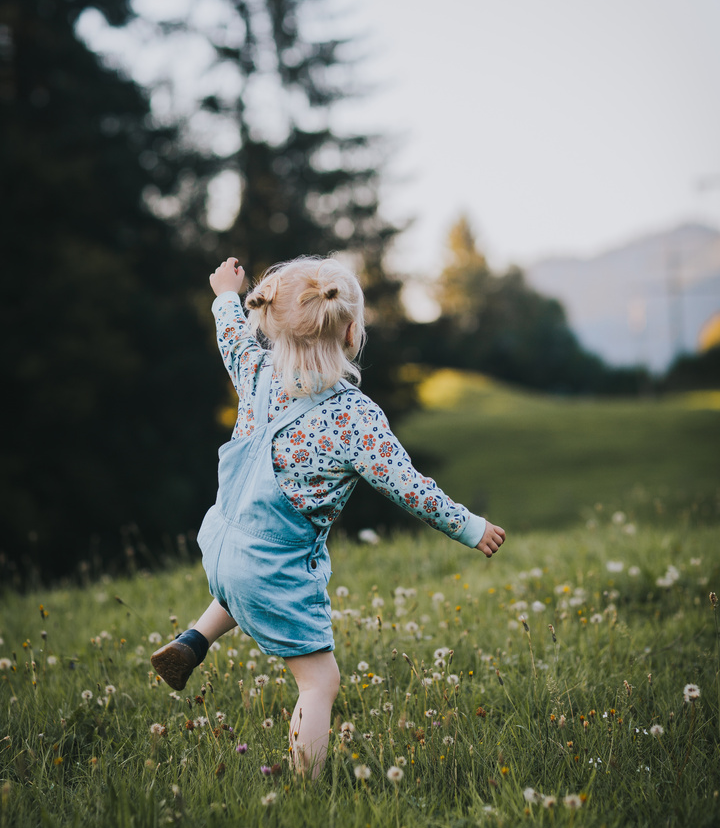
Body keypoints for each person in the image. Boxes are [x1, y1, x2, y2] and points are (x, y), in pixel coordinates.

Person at [151, 255, 506, 777]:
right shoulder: (353, 417)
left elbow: (231, 332)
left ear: (272, 320)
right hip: (271, 567)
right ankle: (303, 790)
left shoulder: (256, 371)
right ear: (351, 333)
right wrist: (470, 527)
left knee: (243, 581)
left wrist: (227, 292)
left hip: (222, 545)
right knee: (320, 683)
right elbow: (410, 489)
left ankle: (193, 640)